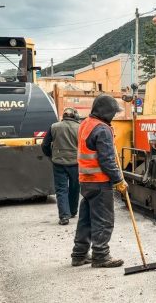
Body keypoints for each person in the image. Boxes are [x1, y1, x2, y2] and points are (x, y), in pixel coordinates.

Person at [71, 95, 129, 268]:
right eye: (113, 113)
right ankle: (101, 256)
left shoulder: (86, 124)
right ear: (106, 111)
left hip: (86, 181)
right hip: (100, 182)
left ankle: (79, 255)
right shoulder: (102, 129)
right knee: (104, 220)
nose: (114, 116)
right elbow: (107, 160)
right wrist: (118, 180)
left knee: (86, 220)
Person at [41, 107, 81, 225]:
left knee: (61, 189)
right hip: (76, 163)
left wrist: (51, 156)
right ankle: (73, 211)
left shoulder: (54, 127)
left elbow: (45, 145)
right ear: (75, 116)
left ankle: (64, 216)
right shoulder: (80, 128)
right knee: (75, 187)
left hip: (59, 163)